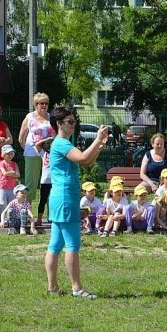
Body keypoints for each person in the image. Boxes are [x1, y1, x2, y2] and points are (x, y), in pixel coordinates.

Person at [45, 106, 109, 299]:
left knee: (55, 245)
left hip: (61, 197)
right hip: (65, 198)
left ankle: (53, 288)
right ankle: (77, 288)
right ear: (58, 124)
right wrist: (97, 139)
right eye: (69, 122)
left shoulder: (61, 143)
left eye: (74, 122)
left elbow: (87, 161)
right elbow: (82, 158)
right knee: (73, 245)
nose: (73, 125)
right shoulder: (62, 143)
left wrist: (98, 146)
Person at [18, 93, 55, 202]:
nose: (44, 105)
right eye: (41, 103)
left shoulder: (51, 117)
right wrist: (28, 149)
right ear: (36, 104)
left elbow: (56, 135)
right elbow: (21, 138)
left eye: (46, 103)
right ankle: (27, 210)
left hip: (48, 154)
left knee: (48, 182)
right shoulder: (29, 117)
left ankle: (50, 215)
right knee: (31, 183)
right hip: (32, 153)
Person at [34, 136, 54, 226]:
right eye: (49, 145)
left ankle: (54, 218)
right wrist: (48, 139)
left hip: (55, 180)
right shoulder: (43, 153)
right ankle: (39, 219)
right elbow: (37, 144)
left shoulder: (57, 153)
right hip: (45, 180)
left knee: (54, 200)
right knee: (43, 200)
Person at [0, 144, 20, 216]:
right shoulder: (2, 163)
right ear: (3, 155)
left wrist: (11, 173)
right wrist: (13, 172)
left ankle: (11, 218)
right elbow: (5, 173)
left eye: (12, 153)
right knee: (3, 203)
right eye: (8, 154)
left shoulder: (14, 164)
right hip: (3, 187)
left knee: (11, 204)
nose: (10, 155)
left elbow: (18, 175)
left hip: (12, 187)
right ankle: (2, 219)